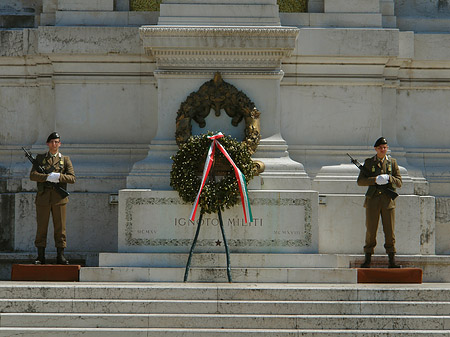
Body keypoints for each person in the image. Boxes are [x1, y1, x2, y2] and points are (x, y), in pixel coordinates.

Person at [29, 132, 76, 265]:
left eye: (56, 142)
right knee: (41, 227)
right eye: (51, 142)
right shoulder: (40, 158)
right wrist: (46, 177)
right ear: (47, 144)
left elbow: (72, 178)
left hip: (59, 199)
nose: (54, 144)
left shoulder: (65, 159)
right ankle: (40, 256)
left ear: (59, 144)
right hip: (43, 198)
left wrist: (59, 177)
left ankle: (60, 256)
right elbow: (33, 175)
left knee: (60, 228)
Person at [357, 137, 402, 268]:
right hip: (373, 201)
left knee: (390, 231)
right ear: (376, 149)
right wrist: (375, 180)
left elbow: (399, 182)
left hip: (388, 202)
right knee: (371, 231)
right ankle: (368, 259)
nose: (383, 150)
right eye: (381, 148)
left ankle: (392, 260)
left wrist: (389, 178)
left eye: (385, 147)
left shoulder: (392, 163)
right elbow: (360, 181)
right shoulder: (369, 162)